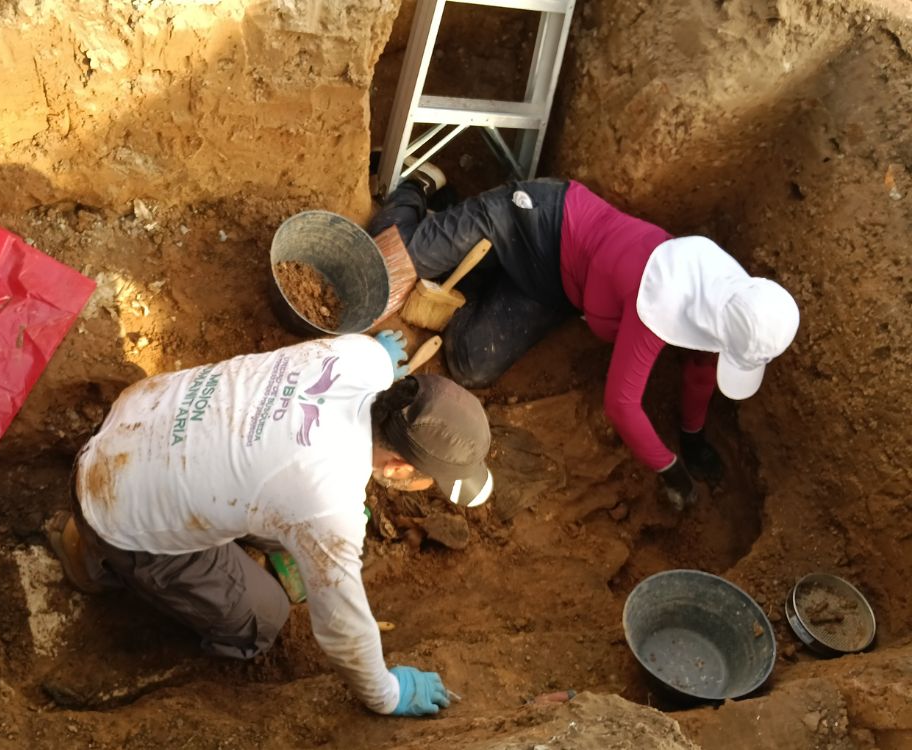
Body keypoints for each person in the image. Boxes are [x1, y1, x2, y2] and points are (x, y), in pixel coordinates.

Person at [47, 331, 492, 716]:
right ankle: (88, 552)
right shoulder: (327, 504)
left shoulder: (361, 355)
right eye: (428, 480)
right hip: (113, 505)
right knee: (264, 617)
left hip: (142, 417)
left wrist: (378, 353)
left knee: (283, 506)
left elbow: (376, 353)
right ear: (397, 466)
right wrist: (387, 695)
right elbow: (342, 631)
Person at [369, 167, 800, 509]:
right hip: (530, 218)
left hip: (555, 284)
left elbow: (703, 372)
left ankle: (467, 259)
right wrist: (669, 468)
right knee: (381, 274)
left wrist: (693, 437)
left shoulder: (724, 304)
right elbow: (622, 403)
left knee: (471, 361)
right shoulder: (660, 302)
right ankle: (417, 186)